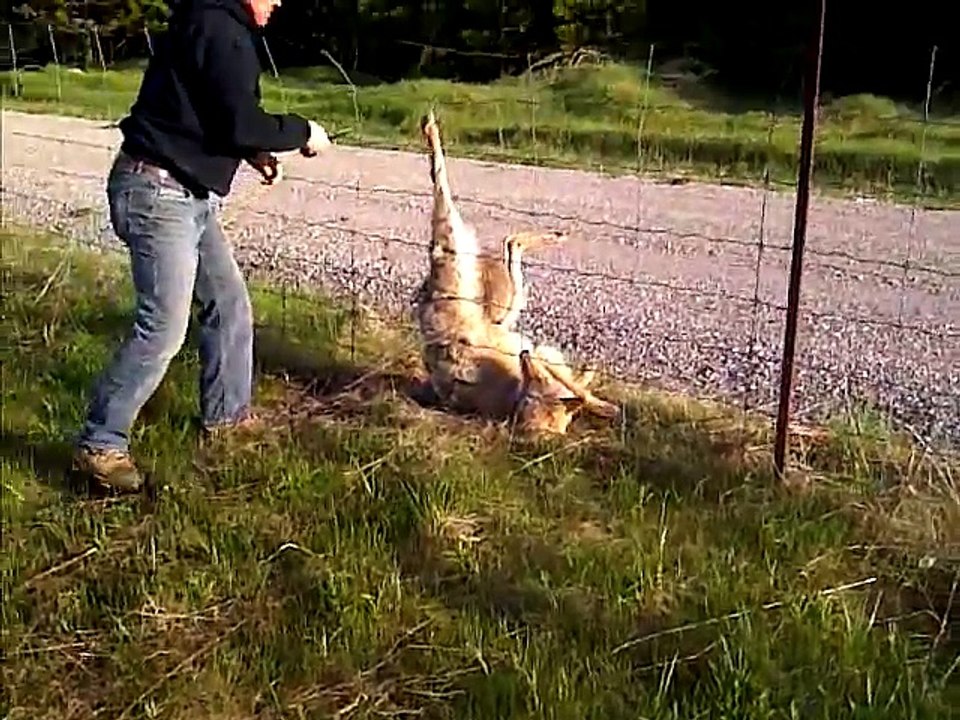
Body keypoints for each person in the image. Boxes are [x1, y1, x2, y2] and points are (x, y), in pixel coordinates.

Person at [70, 0, 331, 493]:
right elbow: (239, 120)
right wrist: (302, 131)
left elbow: (204, 110)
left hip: (182, 191)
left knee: (228, 304)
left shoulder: (210, 20)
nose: (279, 2)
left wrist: (254, 153)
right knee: (163, 327)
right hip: (158, 193)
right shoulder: (219, 27)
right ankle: (100, 443)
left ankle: (227, 420)